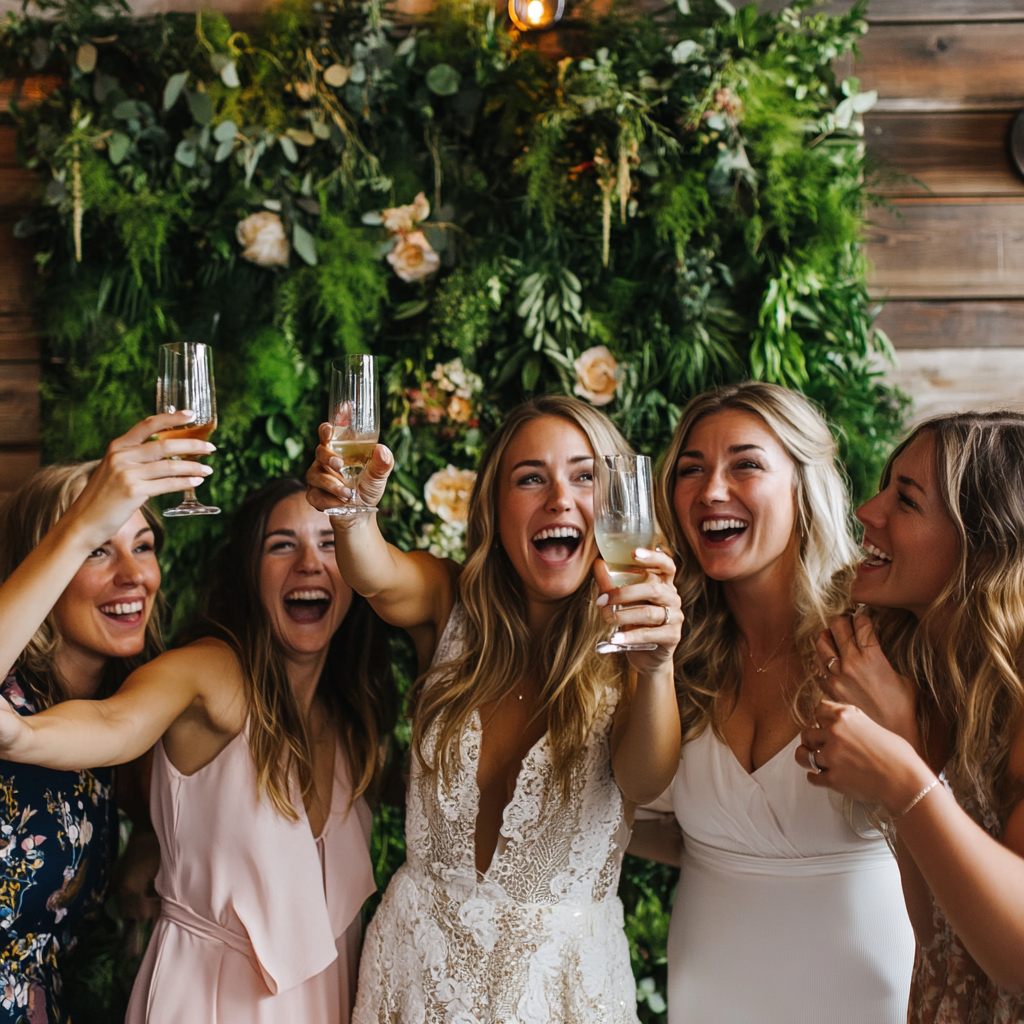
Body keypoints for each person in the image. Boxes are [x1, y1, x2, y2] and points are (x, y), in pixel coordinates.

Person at [306, 395, 683, 1024]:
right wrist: (351, 513)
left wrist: (656, 669)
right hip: (414, 975)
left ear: (619, 506)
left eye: (585, 476)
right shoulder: (449, 600)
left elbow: (646, 779)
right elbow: (373, 574)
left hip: (557, 993)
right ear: (497, 508)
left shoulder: (638, 642)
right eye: (530, 478)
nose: (559, 498)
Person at [0, 469, 397, 1024]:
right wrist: (22, 733)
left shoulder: (355, 715)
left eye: (330, 542)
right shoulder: (210, 671)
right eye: (282, 544)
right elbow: (117, 722)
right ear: (248, 574)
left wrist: (150, 836)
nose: (310, 562)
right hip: (207, 1002)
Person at [630, 382, 915, 1024]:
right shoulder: (672, 647)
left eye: (746, 464)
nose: (710, 492)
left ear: (802, 485)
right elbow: (627, 815)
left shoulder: (881, 635)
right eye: (691, 470)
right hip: (711, 986)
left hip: (869, 987)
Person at [796, 412, 1024, 1023]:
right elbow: (939, 936)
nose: (868, 511)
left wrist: (900, 772)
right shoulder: (936, 681)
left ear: (984, 542)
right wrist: (905, 739)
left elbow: (1016, 958)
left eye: (906, 499)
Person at [0, 411, 212, 1024]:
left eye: (142, 547)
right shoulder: (11, 706)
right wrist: (75, 524)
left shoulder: (116, 716)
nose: (133, 576)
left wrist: (145, 840)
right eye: (98, 548)